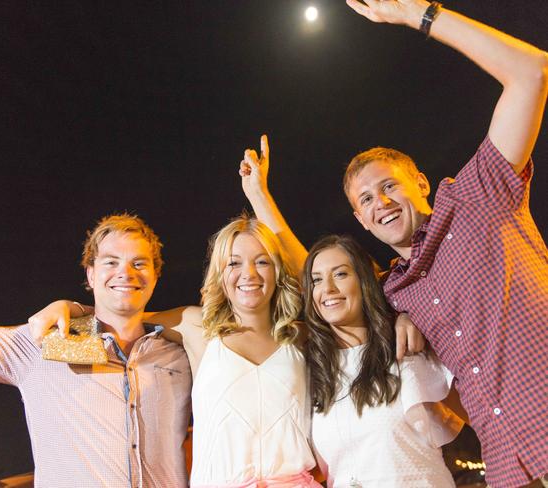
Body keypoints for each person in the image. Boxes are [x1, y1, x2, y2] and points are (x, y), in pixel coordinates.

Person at [239, 2, 548, 487]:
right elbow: (322, 277)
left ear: (420, 183)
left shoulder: (477, 196)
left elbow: (531, 71)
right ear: (360, 219)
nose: (380, 202)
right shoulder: (399, 290)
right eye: (365, 199)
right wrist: (261, 200)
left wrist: (421, 16)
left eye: (389, 186)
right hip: (513, 467)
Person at [0, 158, 191, 487]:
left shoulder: (180, 356)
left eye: (140, 263)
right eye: (111, 262)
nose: (126, 272)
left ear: (156, 275)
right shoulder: (43, 343)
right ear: (90, 275)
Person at [32, 215, 324, 487]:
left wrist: (259, 195)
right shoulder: (196, 327)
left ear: (277, 270)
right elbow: (121, 310)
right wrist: (72, 308)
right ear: (220, 273)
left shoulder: (301, 338)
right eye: (234, 263)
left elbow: (320, 282)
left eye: (262, 262)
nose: (248, 273)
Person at [304, 234, 462, 487]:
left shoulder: (407, 347)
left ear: (365, 281)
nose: (328, 289)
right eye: (316, 280)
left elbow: (482, 416)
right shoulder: (312, 371)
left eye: (341, 274)